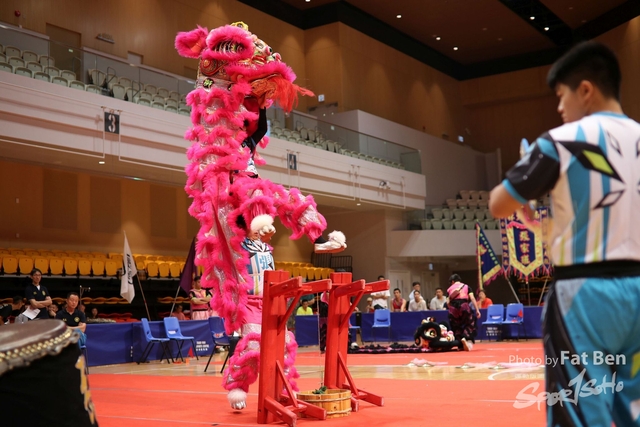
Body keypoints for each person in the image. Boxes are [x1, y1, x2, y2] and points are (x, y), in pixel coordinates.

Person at [488, 41, 640, 427]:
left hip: (584, 295)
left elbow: (498, 204)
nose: (559, 107)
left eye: (561, 95)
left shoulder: (560, 140)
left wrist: (527, 177)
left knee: (580, 411)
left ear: (585, 90)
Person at [446, 274, 480, 343]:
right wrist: (477, 310)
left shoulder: (449, 289)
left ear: (452, 281)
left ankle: (459, 342)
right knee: (470, 322)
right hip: (464, 306)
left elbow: (448, 303)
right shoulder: (466, 286)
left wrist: (452, 309)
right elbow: (472, 298)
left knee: (455, 325)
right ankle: (465, 337)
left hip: (453, 308)